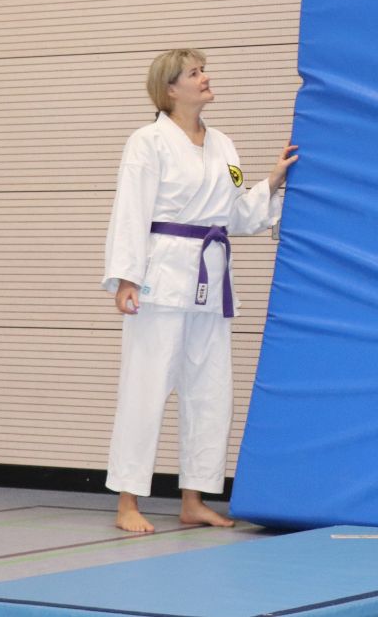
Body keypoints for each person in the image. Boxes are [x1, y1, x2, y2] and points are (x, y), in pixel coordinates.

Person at [102, 48, 297, 533]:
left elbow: (234, 216)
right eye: (194, 73)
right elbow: (131, 209)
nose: (205, 78)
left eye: (203, 70)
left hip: (211, 276)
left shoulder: (223, 144)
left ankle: (194, 498)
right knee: (146, 388)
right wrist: (126, 276)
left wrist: (272, 183)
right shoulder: (148, 142)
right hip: (161, 279)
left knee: (209, 392)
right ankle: (127, 501)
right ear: (171, 89)